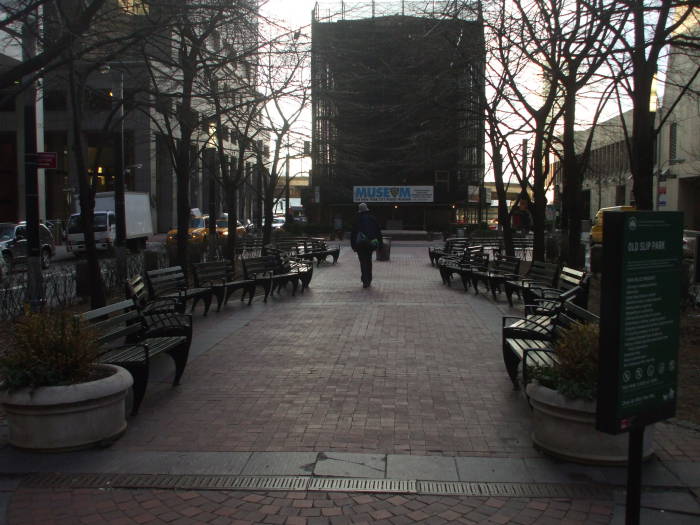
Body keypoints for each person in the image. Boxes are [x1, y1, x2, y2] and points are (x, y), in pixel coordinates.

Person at [350, 202, 383, 288]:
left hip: (360, 244)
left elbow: (353, 234)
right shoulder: (373, 219)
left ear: (360, 211)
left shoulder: (356, 219)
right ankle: (369, 278)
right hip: (370, 243)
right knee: (368, 260)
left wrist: (353, 245)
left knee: (362, 262)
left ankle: (365, 280)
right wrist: (380, 244)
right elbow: (378, 232)